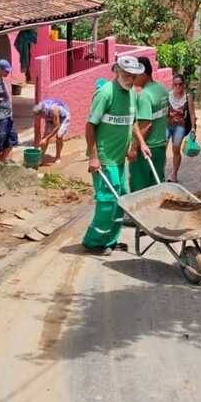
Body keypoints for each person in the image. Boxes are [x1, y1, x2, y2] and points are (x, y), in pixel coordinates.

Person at [82, 56, 144, 255]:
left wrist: (139, 144)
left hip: (119, 158)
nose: (131, 80)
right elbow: (90, 125)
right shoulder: (105, 93)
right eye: (127, 75)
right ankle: (93, 241)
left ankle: (110, 239)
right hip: (104, 157)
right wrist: (93, 156)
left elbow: (131, 121)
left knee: (122, 197)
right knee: (108, 199)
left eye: (134, 76)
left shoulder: (133, 94)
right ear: (117, 71)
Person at [128, 57, 169, 191]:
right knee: (156, 184)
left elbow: (146, 126)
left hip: (146, 149)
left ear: (143, 74)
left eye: (135, 75)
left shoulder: (145, 95)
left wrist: (134, 148)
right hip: (161, 146)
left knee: (140, 188)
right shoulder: (162, 90)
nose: (133, 78)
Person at [166, 73, 197, 183]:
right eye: (175, 85)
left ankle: (174, 173)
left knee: (176, 148)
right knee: (161, 147)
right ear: (172, 85)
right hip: (167, 125)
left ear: (183, 84)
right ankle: (159, 172)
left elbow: (192, 113)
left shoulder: (188, 96)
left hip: (180, 126)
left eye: (180, 84)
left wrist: (193, 128)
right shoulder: (168, 95)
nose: (178, 87)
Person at [33, 99, 70, 165]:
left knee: (59, 136)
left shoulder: (54, 110)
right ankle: (41, 157)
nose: (40, 118)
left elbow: (57, 126)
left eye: (39, 116)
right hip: (50, 117)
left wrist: (46, 138)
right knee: (45, 135)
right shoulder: (42, 109)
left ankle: (58, 157)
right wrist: (44, 138)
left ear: (41, 113)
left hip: (63, 117)